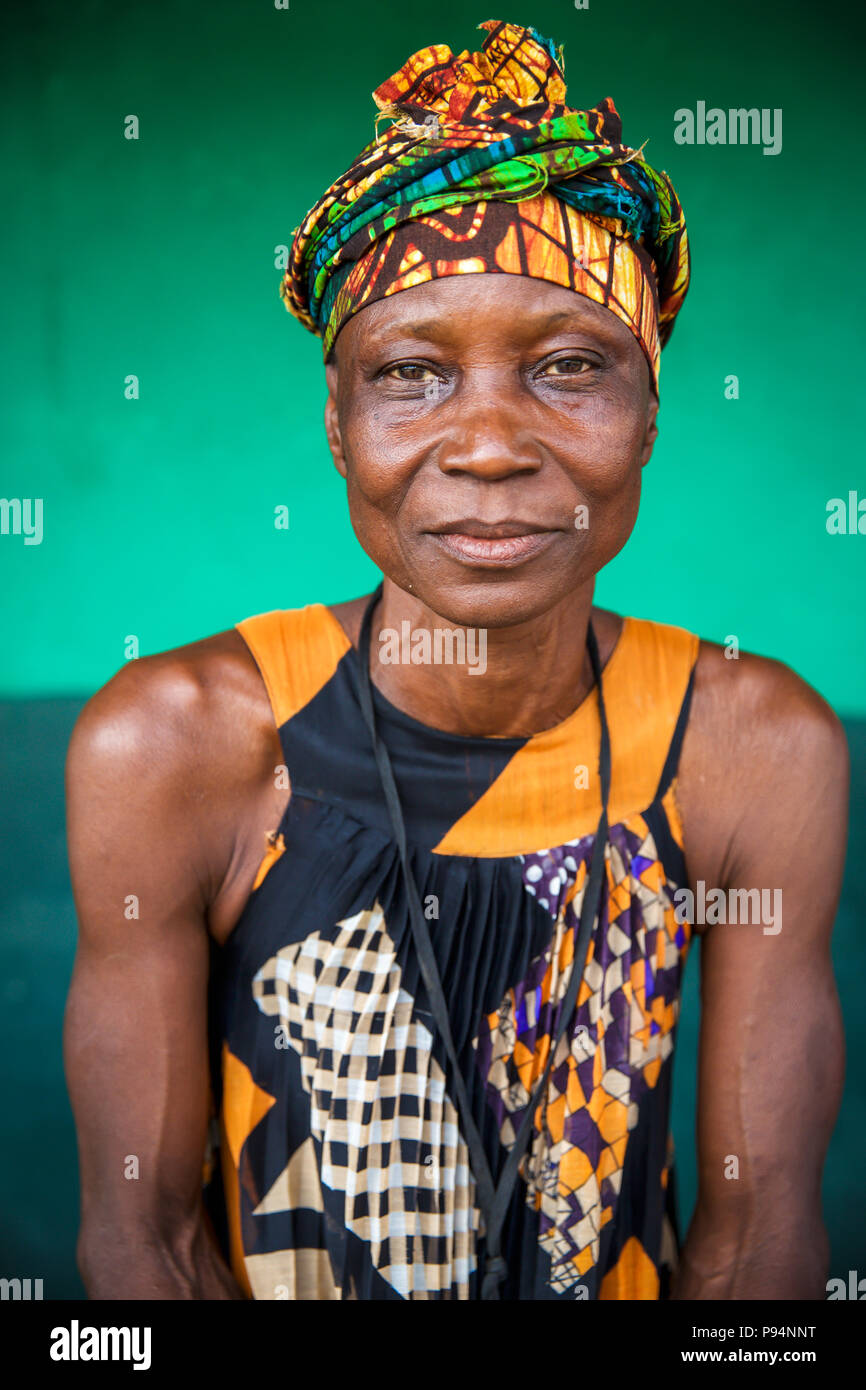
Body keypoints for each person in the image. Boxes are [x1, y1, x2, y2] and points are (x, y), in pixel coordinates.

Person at [64, 19, 847, 1301]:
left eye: (569, 367)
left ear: (648, 414)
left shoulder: (747, 745)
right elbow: (141, 1253)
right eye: (413, 375)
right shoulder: (177, 741)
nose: (487, 445)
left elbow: (757, 1251)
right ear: (337, 425)